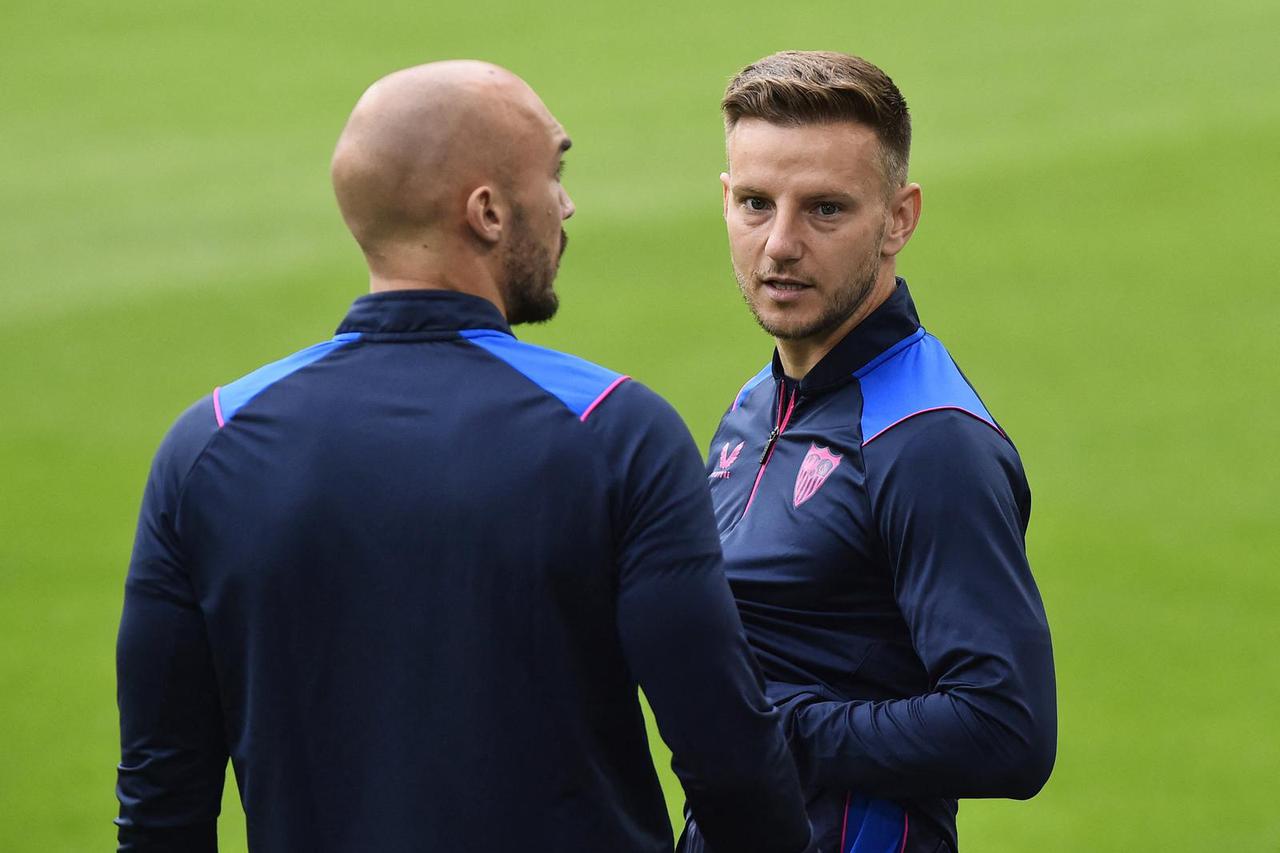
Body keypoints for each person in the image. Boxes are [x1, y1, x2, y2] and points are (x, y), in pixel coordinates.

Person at [115, 60, 812, 853]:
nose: (567, 203)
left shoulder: (206, 445)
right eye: (554, 170)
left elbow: (162, 805)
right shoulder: (614, 430)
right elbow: (728, 758)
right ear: (486, 211)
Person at [678, 51, 1057, 853]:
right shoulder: (756, 405)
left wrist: (779, 729)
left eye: (824, 210)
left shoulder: (928, 441)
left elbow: (1008, 727)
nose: (779, 244)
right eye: (755, 203)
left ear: (899, 218)